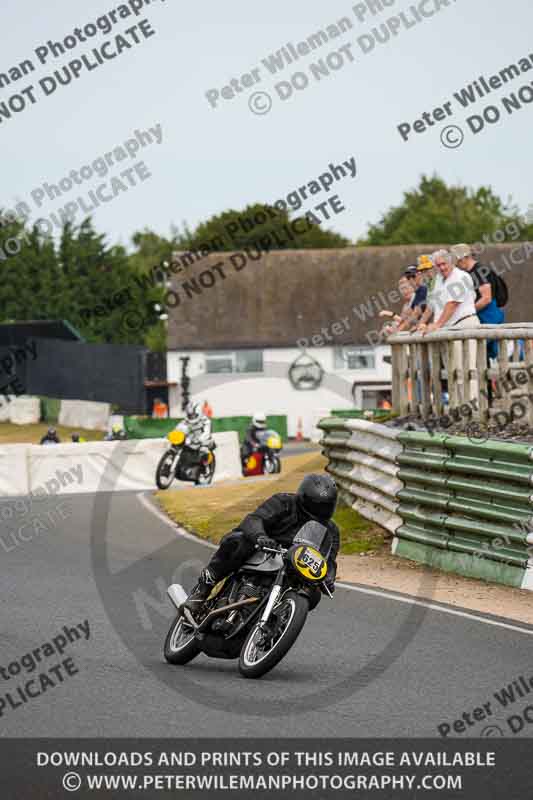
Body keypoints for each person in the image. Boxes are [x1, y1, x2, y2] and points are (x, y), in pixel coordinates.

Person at [182, 473, 339, 618]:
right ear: (304, 497)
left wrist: (329, 577)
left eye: (326, 506)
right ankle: (203, 589)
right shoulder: (284, 502)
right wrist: (260, 536)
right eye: (316, 504)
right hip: (264, 549)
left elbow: (329, 560)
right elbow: (254, 519)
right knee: (238, 541)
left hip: (294, 567)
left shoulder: (331, 531)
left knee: (314, 593)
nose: (320, 510)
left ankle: (281, 620)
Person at [451, 243, 505, 359]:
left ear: (465, 257)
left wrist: (467, 312)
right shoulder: (468, 273)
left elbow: (486, 298)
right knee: (481, 353)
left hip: (489, 315)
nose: (457, 265)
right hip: (483, 315)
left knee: (480, 350)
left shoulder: (478, 271)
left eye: (458, 261)